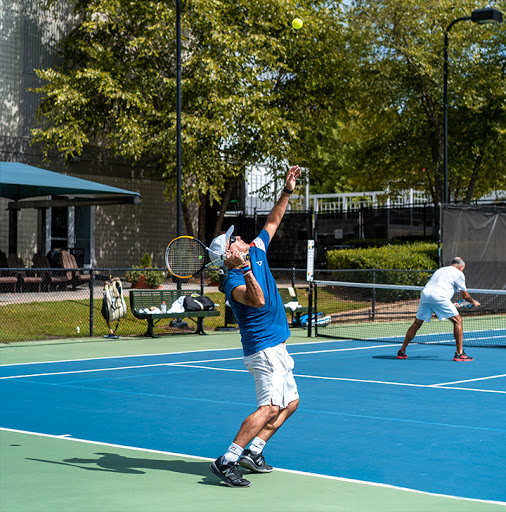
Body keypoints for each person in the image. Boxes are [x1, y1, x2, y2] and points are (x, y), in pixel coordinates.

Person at [208, 165, 301, 488]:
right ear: (229, 255)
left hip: (278, 344)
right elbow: (258, 300)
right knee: (270, 406)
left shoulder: (257, 249)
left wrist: (287, 189)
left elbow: (273, 220)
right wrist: (244, 268)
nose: (239, 237)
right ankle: (227, 459)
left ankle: (254, 451)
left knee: (290, 403)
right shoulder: (233, 281)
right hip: (263, 351)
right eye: (233, 240)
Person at [396, 257, 480, 361]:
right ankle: (459, 353)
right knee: (458, 321)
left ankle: (402, 351)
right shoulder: (458, 273)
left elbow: (440, 287)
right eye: (463, 268)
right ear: (459, 267)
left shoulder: (440, 270)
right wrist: (473, 301)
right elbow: (465, 296)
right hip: (439, 297)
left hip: (425, 295)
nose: (463, 270)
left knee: (417, 323)